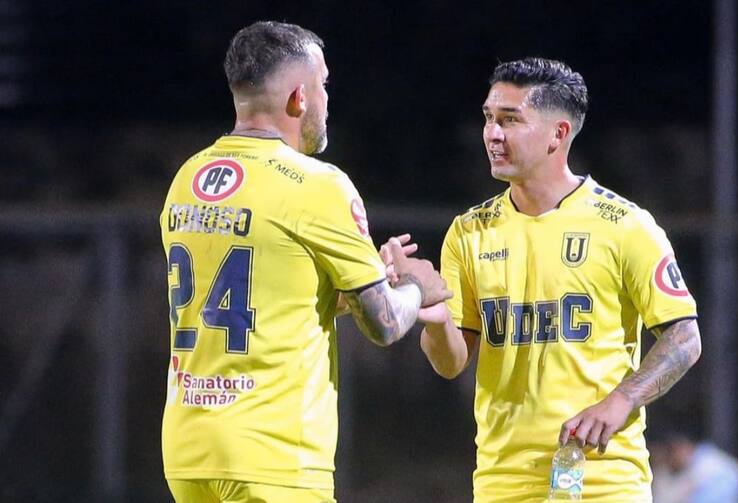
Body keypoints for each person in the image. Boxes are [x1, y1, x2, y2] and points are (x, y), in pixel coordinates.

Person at [159, 21, 450, 503]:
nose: (327, 100)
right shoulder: (317, 185)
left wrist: (360, 282)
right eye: (324, 85)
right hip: (274, 458)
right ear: (299, 98)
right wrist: (417, 285)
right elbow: (384, 325)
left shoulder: (188, 177)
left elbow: (266, 298)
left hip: (188, 452)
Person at [415, 57, 702, 501]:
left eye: (510, 120)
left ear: (559, 133)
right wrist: (435, 316)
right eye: (489, 118)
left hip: (603, 481)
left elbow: (685, 337)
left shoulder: (625, 225)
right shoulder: (468, 232)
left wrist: (622, 400)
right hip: (502, 482)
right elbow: (451, 362)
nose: (492, 133)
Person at [651, 432, 738, 503]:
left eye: (670, 457)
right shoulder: (699, 463)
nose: (671, 463)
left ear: (679, 448)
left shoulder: (707, 464)